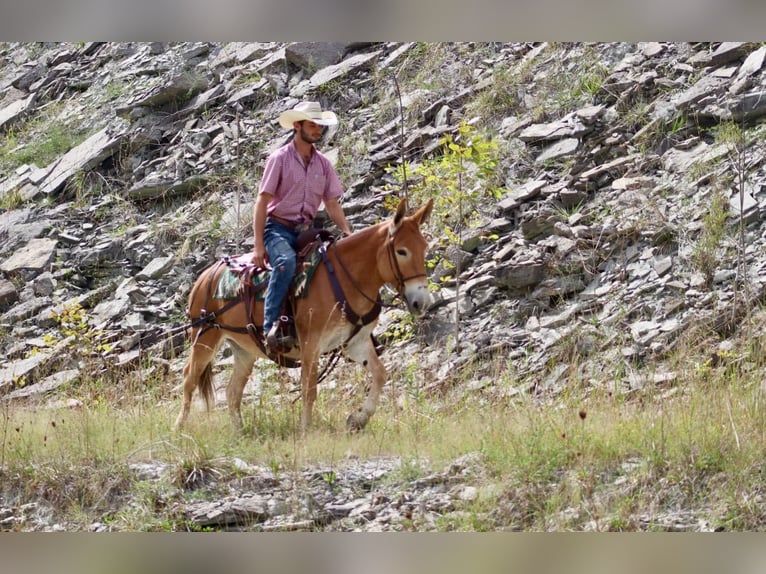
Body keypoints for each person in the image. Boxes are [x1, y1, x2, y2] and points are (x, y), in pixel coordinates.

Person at [253, 101, 353, 352]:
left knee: (334, 266)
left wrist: (348, 232)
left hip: (307, 230)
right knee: (285, 263)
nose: (317, 130)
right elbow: (262, 201)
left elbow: (331, 203)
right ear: (297, 126)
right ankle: (270, 328)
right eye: (312, 125)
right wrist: (258, 245)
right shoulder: (280, 159)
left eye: (320, 126)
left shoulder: (323, 164)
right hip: (277, 228)